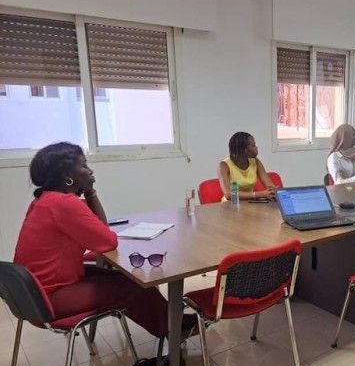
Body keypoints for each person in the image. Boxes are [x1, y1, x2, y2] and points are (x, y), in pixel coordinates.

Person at [13, 142, 193, 339]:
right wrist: (90, 191)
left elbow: (100, 231)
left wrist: (88, 192)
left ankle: (173, 322)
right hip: (50, 298)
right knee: (135, 288)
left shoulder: (44, 201)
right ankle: (175, 330)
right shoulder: (63, 204)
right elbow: (108, 241)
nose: (90, 171)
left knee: (132, 279)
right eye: (84, 166)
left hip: (33, 294)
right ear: (68, 177)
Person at [219, 131, 276, 201]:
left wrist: (273, 192)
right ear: (245, 150)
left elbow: (271, 187)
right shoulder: (224, 165)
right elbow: (228, 194)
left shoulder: (256, 162)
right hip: (231, 204)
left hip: (250, 203)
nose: (256, 148)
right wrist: (258, 194)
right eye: (253, 145)